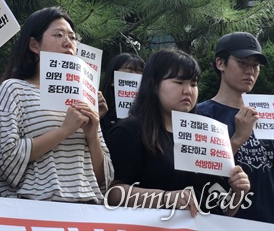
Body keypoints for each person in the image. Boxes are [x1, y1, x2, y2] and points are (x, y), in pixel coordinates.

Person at [0, 6, 113, 203]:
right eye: (59, 35)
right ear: (34, 45)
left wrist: (92, 134)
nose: (68, 43)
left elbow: (103, 179)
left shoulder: (83, 97)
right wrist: (64, 130)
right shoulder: (13, 90)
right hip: (35, 210)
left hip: (87, 212)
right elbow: (5, 160)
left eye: (72, 37)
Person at [106, 49, 250, 218]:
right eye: (179, 82)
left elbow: (217, 208)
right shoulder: (130, 130)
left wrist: (237, 194)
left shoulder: (206, 134)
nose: (188, 90)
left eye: (193, 84)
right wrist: (166, 198)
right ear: (154, 84)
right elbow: (112, 193)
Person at [196, 32, 273, 224]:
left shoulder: (268, 113)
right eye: (242, 63)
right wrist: (237, 138)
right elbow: (199, 177)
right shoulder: (201, 115)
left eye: (255, 65)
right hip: (225, 221)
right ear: (220, 63)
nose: (250, 71)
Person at [99, 53, 145, 136]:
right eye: (129, 71)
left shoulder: (148, 114)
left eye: (140, 73)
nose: (135, 77)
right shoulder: (100, 110)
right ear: (112, 79)